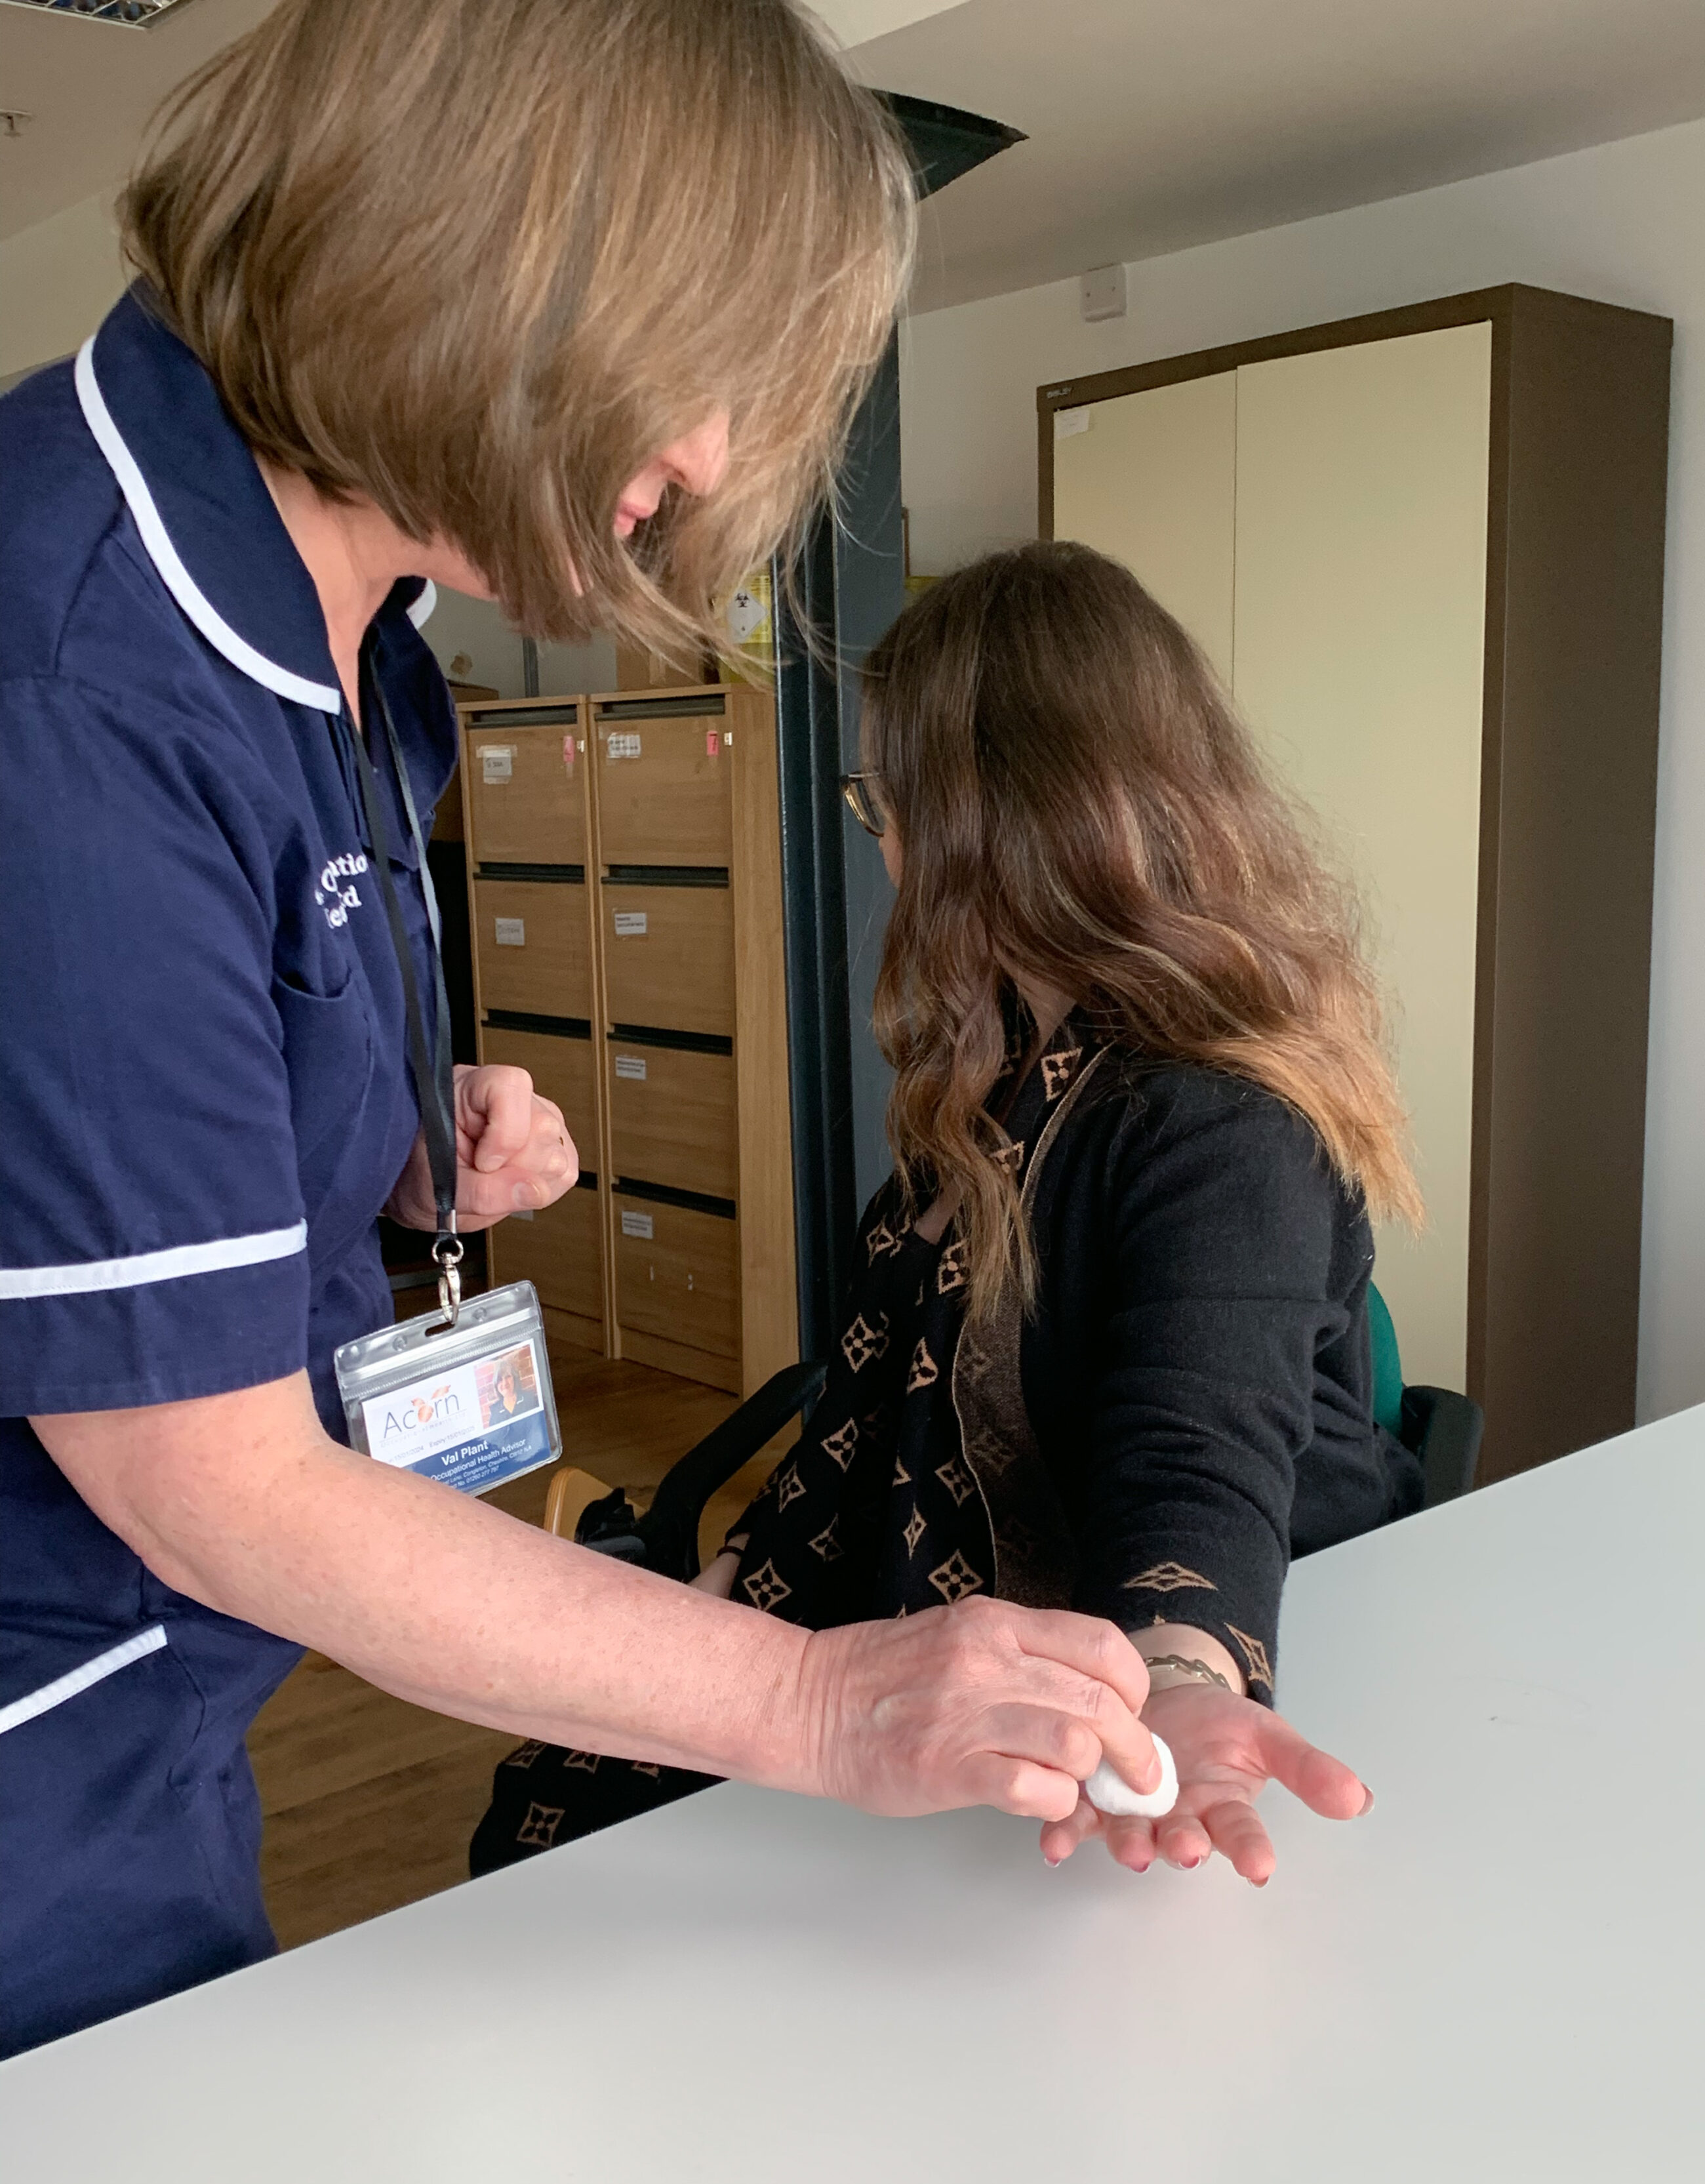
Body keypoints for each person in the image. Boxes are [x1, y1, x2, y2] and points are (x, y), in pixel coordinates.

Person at [0, 0, 1163, 2060]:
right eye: (699, 373)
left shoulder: (351, 629)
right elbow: (212, 1482)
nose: (709, 465)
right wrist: (820, 1695)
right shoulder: (77, 678)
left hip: (154, 1710)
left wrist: (382, 1132)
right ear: (481, 256)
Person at [475, 543, 1414, 1884]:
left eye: (882, 802)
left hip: (1116, 1735)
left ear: (988, 821)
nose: (886, 844)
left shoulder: (1216, 1123)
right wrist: (722, 1604)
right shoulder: (1002, 1068)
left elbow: (1192, 1442)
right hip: (968, 1677)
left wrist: (1183, 1681)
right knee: (575, 1814)